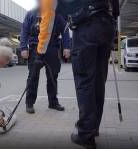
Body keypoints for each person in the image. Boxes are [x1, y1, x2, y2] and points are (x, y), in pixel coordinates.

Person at [36, 0, 120, 148]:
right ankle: (93, 128)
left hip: (86, 27)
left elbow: (48, 14)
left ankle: (85, 134)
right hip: (107, 24)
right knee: (98, 82)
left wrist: (41, 50)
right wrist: (113, 19)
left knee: (85, 82)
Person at [20, 5, 71, 114]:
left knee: (53, 77)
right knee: (33, 76)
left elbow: (65, 29)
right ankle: (29, 103)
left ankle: (53, 102)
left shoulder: (57, 13)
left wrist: (66, 46)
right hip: (35, 48)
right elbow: (24, 30)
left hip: (52, 48)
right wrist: (23, 47)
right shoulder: (31, 13)